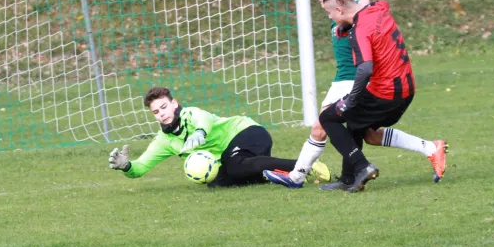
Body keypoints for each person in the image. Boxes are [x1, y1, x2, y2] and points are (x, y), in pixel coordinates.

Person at [264, 0, 446, 190]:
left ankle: (297, 177)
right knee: (366, 134)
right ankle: (427, 149)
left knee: (323, 124)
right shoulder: (350, 8)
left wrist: (352, 96)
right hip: (349, 78)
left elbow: (366, 52)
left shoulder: (353, 9)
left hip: (353, 80)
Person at [316, 0, 447, 192]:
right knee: (357, 126)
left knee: (328, 117)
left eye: (329, 12)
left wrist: (351, 99)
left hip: (386, 93)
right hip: (405, 88)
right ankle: (349, 179)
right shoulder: (378, 8)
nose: (330, 17)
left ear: (339, 10)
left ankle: (362, 167)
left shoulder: (359, 30)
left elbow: (365, 68)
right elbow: (373, 10)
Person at [108, 86, 330, 187]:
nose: (162, 114)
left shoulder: (190, 114)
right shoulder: (164, 141)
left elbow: (204, 120)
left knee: (233, 166)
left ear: (174, 104)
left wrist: (199, 132)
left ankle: (304, 166)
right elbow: (141, 168)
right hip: (237, 156)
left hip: (247, 133)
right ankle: (272, 174)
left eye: (164, 107)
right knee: (217, 182)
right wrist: (126, 166)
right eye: (156, 112)